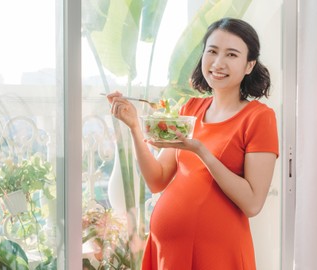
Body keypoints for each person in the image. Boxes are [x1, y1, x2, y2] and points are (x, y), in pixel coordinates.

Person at [105, 17, 279, 270]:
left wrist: (201, 151)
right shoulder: (191, 109)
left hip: (217, 254)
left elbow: (252, 203)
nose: (218, 63)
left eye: (232, 54)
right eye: (212, 51)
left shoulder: (259, 117)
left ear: (249, 65)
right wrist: (134, 126)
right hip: (167, 250)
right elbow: (157, 180)